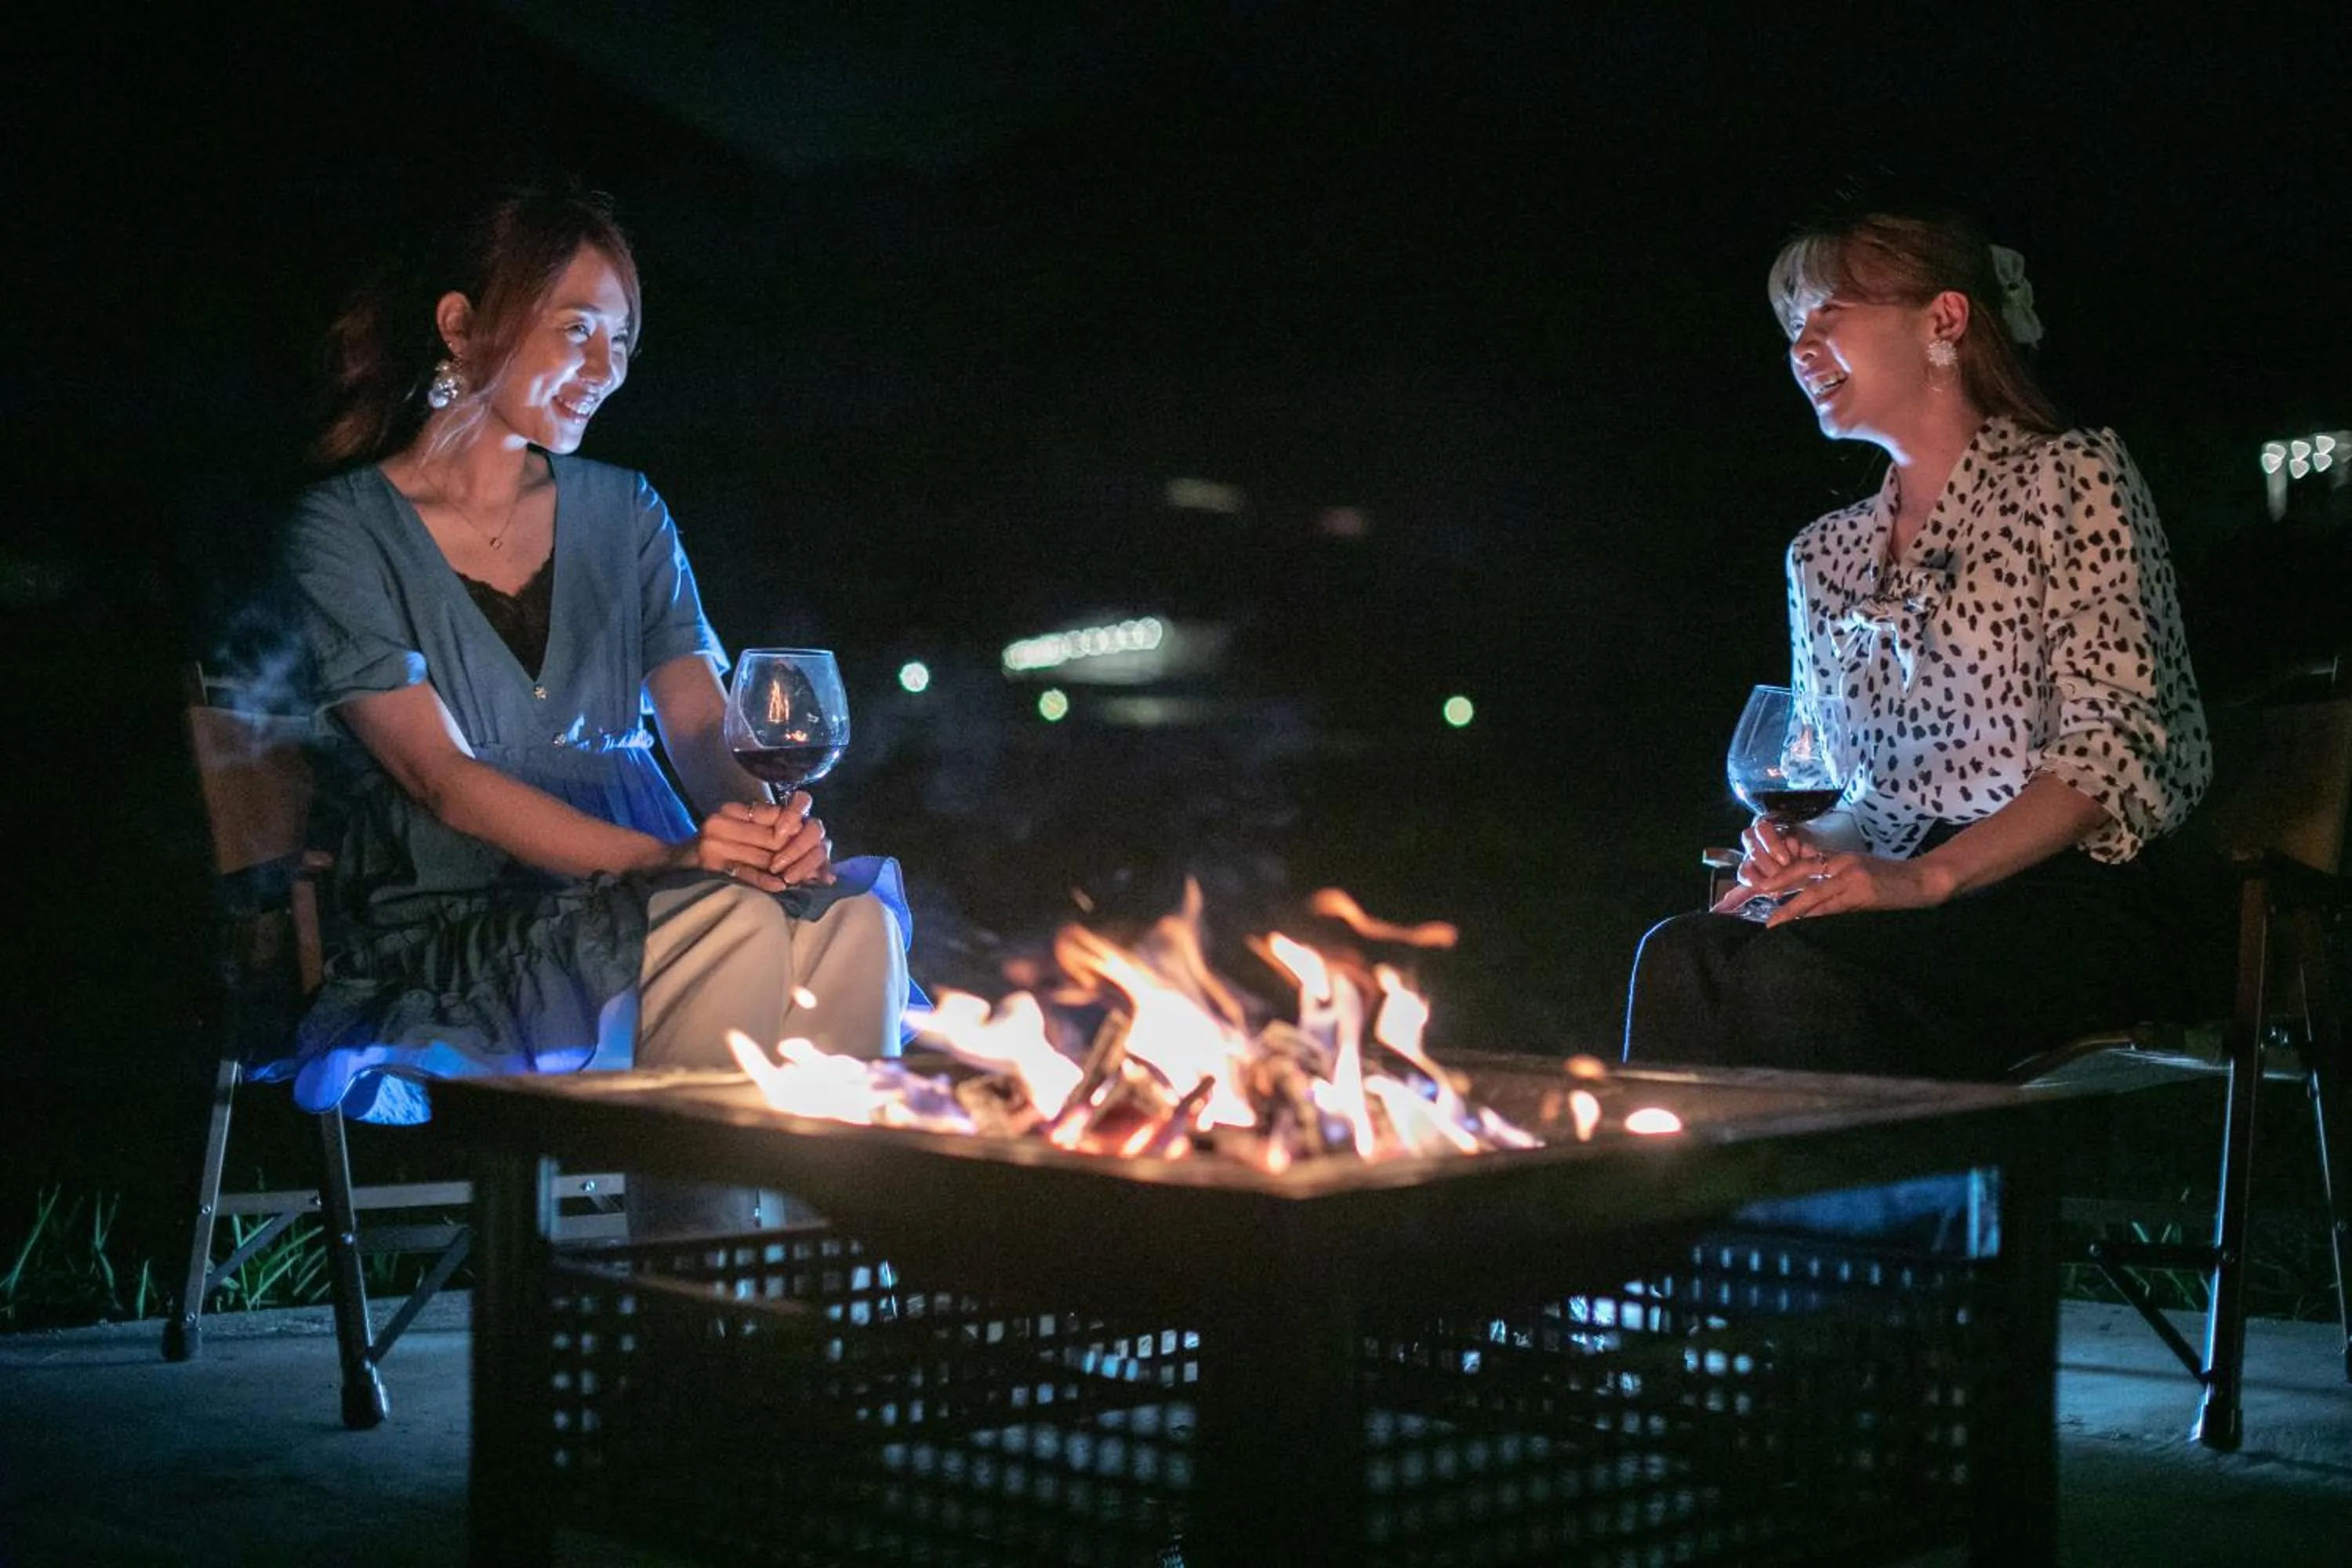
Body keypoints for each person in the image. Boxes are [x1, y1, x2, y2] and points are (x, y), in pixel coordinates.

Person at [267, 187, 912, 1225]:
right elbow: (442, 779)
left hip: (660, 882)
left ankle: (826, 1286)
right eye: (577, 330)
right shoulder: (341, 530)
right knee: (728, 925)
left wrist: (761, 829)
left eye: (621, 342)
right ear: (460, 325)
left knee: (852, 921)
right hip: (468, 907)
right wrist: (669, 859)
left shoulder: (628, 510)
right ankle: (689, 1299)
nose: (607, 368)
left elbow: (700, 726)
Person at [1622, 206, 2220, 1080]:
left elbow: (2116, 750)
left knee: (1801, 978)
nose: (1801, 349)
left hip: (2072, 894)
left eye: (1828, 315)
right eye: (1792, 329)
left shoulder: (2072, 476)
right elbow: (1855, 792)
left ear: (1944, 318)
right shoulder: (1822, 555)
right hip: (1906, 896)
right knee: (1683, 953)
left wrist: (1929, 877)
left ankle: (1886, 1177)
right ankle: (1664, 1179)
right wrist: (1814, 847)